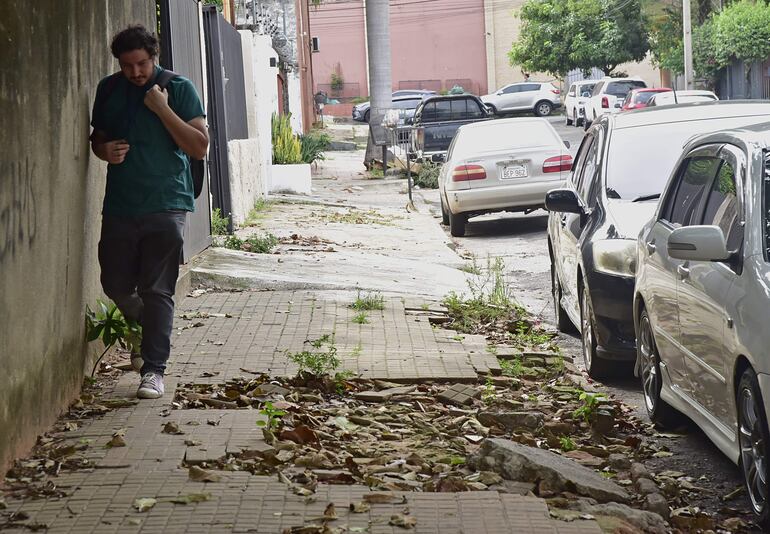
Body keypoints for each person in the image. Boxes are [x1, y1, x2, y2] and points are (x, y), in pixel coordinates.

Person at [90, 25, 208, 399]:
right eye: (127, 66)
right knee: (115, 283)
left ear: (153, 57)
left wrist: (162, 108)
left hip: (167, 201)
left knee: (157, 290)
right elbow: (98, 137)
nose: (135, 73)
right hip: (121, 203)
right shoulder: (108, 89)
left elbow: (199, 147)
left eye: (141, 64)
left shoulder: (180, 88)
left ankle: (154, 371)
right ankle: (148, 327)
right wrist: (103, 150)